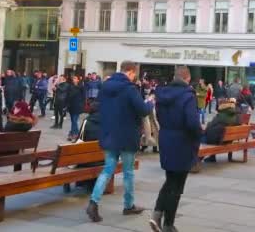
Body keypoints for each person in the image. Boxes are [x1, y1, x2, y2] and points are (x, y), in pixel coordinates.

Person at [86, 61, 154, 223]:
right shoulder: (129, 89)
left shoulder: (106, 86)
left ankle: (93, 202)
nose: (134, 77)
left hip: (109, 133)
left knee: (108, 169)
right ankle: (128, 205)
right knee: (128, 171)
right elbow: (143, 110)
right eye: (134, 74)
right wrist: (150, 102)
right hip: (126, 135)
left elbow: (98, 107)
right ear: (130, 72)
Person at [149, 66, 201, 232]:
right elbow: (192, 122)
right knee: (177, 186)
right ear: (187, 78)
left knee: (170, 180)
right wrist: (198, 135)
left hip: (166, 137)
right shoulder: (188, 95)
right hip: (183, 141)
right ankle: (168, 224)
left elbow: (157, 116)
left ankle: (157, 214)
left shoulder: (162, 93)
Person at [203, 98, 240, 163]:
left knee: (201, 138)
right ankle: (212, 157)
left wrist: (208, 125)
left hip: (219, 140)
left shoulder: (221, 116)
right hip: (228, 140)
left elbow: (209, 126)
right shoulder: (234, 115)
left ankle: (196, 160)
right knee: (213, 134)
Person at [67, 75, 85, 141]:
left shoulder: (81, 87)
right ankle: (74, 133)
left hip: (77, 106)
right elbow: (68, 96)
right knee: (73, 121)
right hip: (71, 106)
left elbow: (84, 97)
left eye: (75, 78)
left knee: (74, 120)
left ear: (78, 80)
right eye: (73, 78)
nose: (73, 79)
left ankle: (74, 134)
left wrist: (82, 105)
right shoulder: (70, 86)